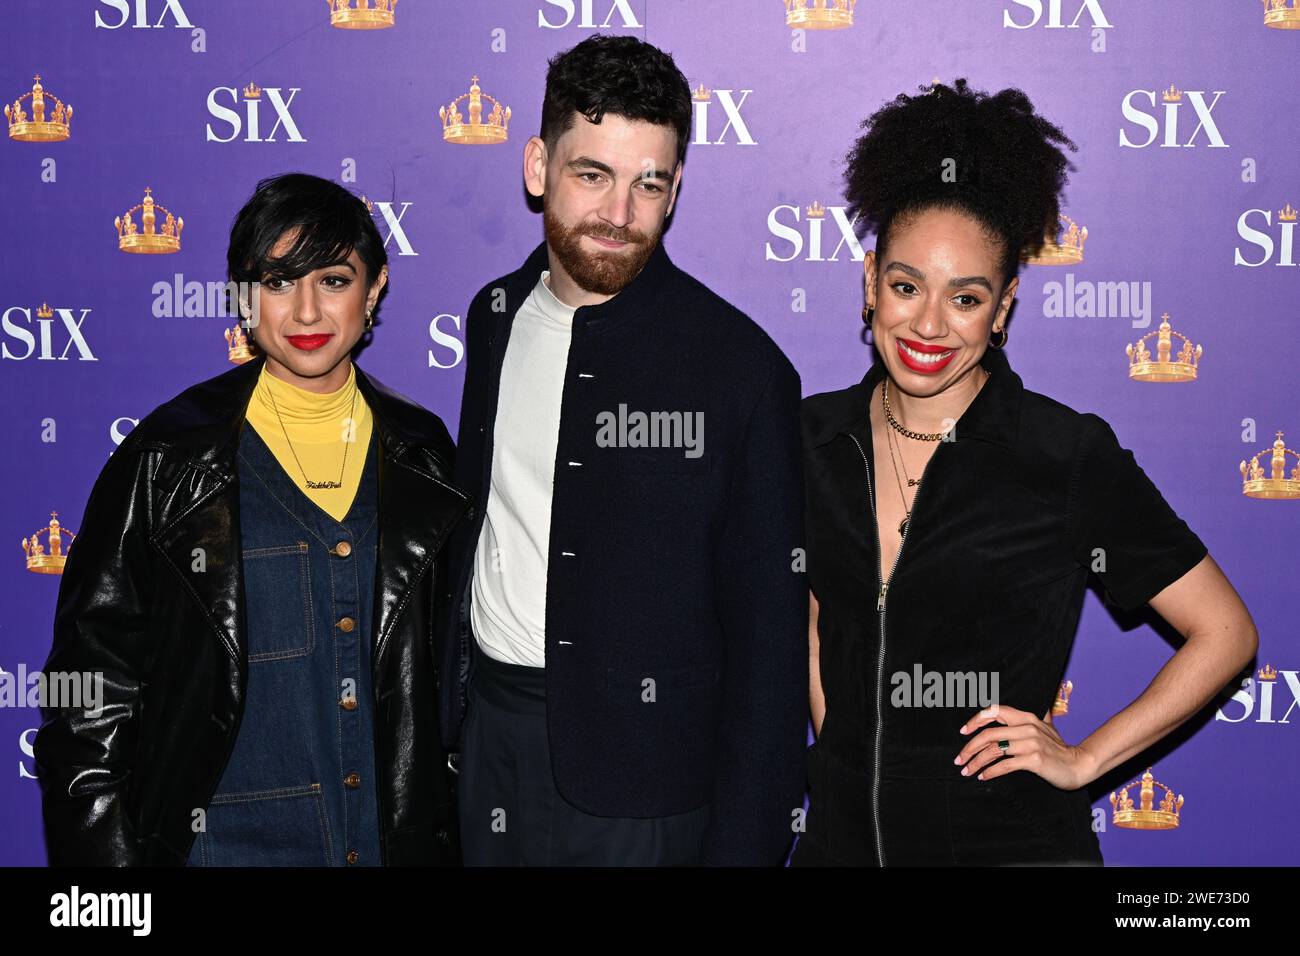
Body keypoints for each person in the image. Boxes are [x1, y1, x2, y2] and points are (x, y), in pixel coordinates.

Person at [793, 79, 1258, 866]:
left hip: (1010, 846)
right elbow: (816, 621)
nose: (929, 325)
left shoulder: (1061, 454)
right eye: (906, 287)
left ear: (1003, 307)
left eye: (966, 298)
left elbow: (1226, 633)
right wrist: (848, 761)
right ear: (870, 281)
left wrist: (1081, 760)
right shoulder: (808, 436)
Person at [441, 34, 807, 866]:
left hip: (649, 783)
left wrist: (747, 846)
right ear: (539, 166)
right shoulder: (492, 316)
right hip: (489, 742)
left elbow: (770, 646)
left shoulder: (740, 370)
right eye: (593, 174)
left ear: (676, 191)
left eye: (650, 182)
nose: (620, 212)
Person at [35, 172, 469, 866]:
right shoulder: (168, 459)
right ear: (242, 294)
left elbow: (456, 686)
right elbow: (88, 688)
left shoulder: (427, 457)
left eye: (332, 280)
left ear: (375, 287)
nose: (304, 312)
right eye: (276, 282)